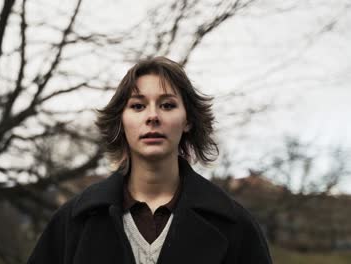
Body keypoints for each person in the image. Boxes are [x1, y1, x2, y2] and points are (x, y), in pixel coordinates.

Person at [27, 57, 272, 264]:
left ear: (187, 120)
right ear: (121, 122)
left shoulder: (234, 225)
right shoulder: (72, 223)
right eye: (138, 106)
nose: (152, 116)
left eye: (167, 105)